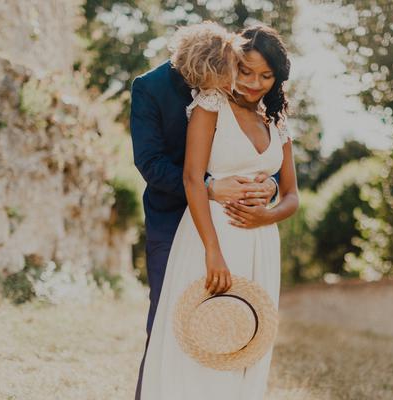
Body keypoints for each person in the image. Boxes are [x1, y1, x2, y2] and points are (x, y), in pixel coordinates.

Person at [138, 22, 299, 400]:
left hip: (261, 243)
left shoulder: (276, 119)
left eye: (266, 75)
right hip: (211, 235)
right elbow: (193, 178)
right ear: (231, 62)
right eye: (246, 70)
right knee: (199, 332)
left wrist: (268, 214)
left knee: (245, 338)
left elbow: (292, 195)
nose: (254, 82)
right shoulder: (210, 103)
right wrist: (213, 251)